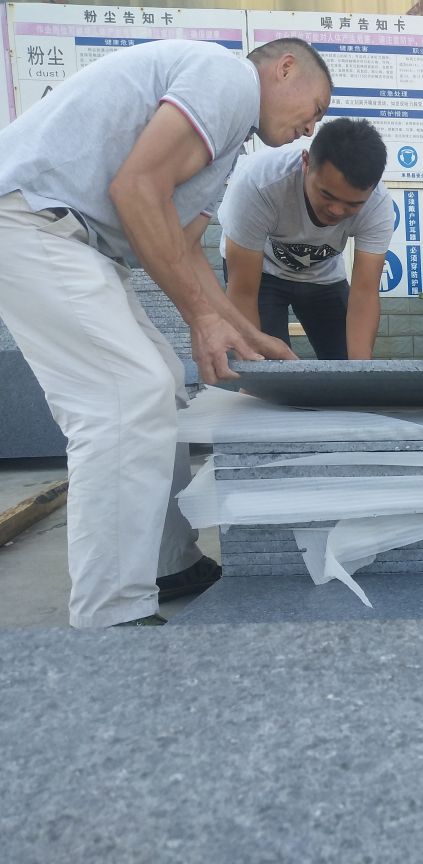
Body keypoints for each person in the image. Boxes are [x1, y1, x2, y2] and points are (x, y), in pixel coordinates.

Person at [0, 38, 332, 627]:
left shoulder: (228, 137)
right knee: (126, 396)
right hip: (31, 220)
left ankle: (167, 562)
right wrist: (202, 320)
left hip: (73, 239)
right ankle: (110, 613)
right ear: (285, 69)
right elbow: (136, 190)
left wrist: (247, 334)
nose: (311, 128)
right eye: (316, 108)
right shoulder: (228, 80)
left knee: (167, 386)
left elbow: (183, 247)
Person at [219, 118, 392, 360]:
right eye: (326, 195)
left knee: (346, 361)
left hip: (323, 276)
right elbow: (242, 292)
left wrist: (359, 375)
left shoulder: (378, 205)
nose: (336, 210)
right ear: (306, 162)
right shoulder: (259, 183)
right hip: (261, 272)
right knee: (268, 366)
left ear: (371, 190)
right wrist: (255, 366)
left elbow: (364, 295)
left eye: (352, 204)